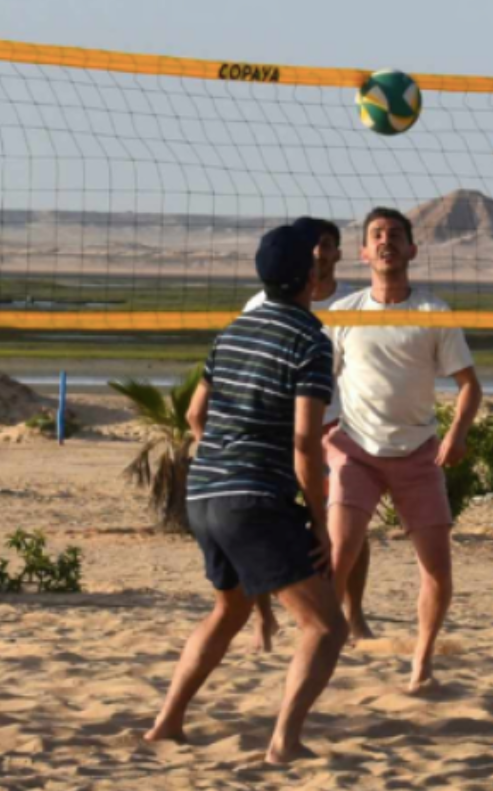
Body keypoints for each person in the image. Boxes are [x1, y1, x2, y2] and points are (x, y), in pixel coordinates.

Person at [146, 224, 348, 764]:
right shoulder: (309, 339)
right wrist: (319, 521)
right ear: (310, 275)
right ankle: (284, 743)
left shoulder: (233, 330)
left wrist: (222, 460)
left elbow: (195, 415)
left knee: (228, 610)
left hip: (205, 493)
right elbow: (306, 442)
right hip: (254, 499)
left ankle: (166, 724)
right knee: (327, 627)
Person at [324, 207, 483, 694]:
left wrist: (457, 434)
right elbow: (316, 380)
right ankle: (321, 650)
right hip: (355, 449)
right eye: (377, 235)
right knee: (339, 553)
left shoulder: (434, 312)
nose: (386, 241)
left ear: (412, 250)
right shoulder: (344, 313)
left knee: (437, 567)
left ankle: (422, 664)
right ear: (364, 252)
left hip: (418, 451)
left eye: (395, 234)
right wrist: (321, 432)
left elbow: (469, 386)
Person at [242, 217, 371, 651]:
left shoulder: (355, 302)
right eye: (312, 246)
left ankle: (352, 613)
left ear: (337, 253)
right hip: (280, 429)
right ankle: (263, 618)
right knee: (262, 524)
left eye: (327, 245)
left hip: (336, 425)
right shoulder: (265, 299)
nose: (319, 253)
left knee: (349, 521)